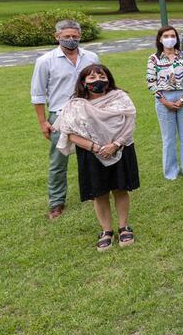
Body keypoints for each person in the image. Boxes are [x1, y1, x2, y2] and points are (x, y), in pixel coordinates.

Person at [53, 64, 138, 251]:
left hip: (120, 149)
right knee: (99, 194)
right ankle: (106, 231)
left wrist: (116, 145)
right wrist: (97, 147)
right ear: (83, 82)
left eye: (101, 76)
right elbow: (69, 133)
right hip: (91, 153)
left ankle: (124, 227)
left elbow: (130, 123)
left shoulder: (121, 98)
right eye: (91, 78)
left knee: (120, 189)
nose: (97, 80)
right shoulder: (75, 104)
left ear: (108, 79)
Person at [30, 19, 100, 219]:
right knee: (58, 161)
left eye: (74, 36)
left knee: (92, 154)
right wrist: (43, 122)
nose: (71, 40)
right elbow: (37, 94)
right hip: (60, 116)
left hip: (88, 113)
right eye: (66, 36)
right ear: (57, 37)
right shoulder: (45, 61)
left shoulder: (91, 57)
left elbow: (100, 84)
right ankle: (56, 202)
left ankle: (96, 191)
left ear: (80, 36)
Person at [146, 26, 183, 180]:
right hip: (163, 100)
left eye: (172, 35)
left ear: (176, 38)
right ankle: (171, 172)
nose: (170, 38)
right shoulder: (153, 59)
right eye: (166, 36)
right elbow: (151, 82)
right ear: (160, 39)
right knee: (168, 139)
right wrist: (164, 101)